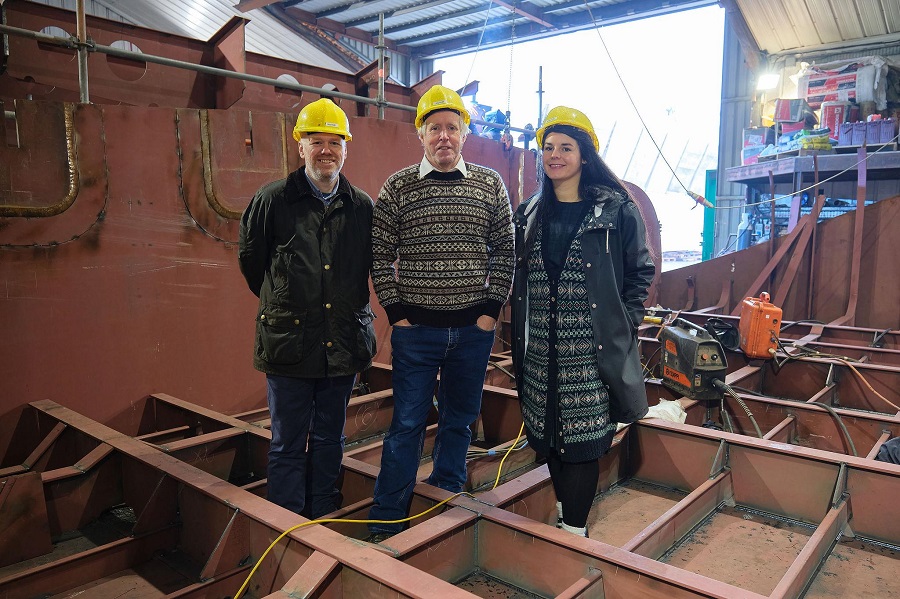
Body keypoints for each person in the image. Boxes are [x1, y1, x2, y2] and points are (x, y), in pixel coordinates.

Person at [367, 85, 515, 540]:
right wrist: (400, 317)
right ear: (422, 136)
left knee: (459, 419)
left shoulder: (490, 184)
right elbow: (379, 254)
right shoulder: (398, 187)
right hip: (417, 334)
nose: (444, 136)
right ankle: (388, 517)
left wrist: (488, 315)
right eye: (435, 128)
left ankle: (447, 492)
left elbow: (506, 252)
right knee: (407, 424)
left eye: (452, 127)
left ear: (465, 133)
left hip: (472, 333)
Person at [510, 106, 655, 538]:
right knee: (550, 434)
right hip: (540, 351)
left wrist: (625, 321)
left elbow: (640, 271)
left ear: (584, 155)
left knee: (583, 442)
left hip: (590, 352)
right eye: (548, 147)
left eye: (566, 147)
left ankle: (574, 531)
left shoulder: (616, 212)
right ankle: (563, 511)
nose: (555, 155)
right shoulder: (531, 212)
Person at [238, 98, 376, 519]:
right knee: (286, 443)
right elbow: (252, 264)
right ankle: (287, 524)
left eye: (335, 143)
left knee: (331, 441)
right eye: (317, 142)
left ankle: (323, 515)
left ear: (346, 149)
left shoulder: (362, 207)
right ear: (300, 146)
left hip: (342, 347)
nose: (326, 151)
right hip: (289, 348)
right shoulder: (272, 200)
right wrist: (288, 307)